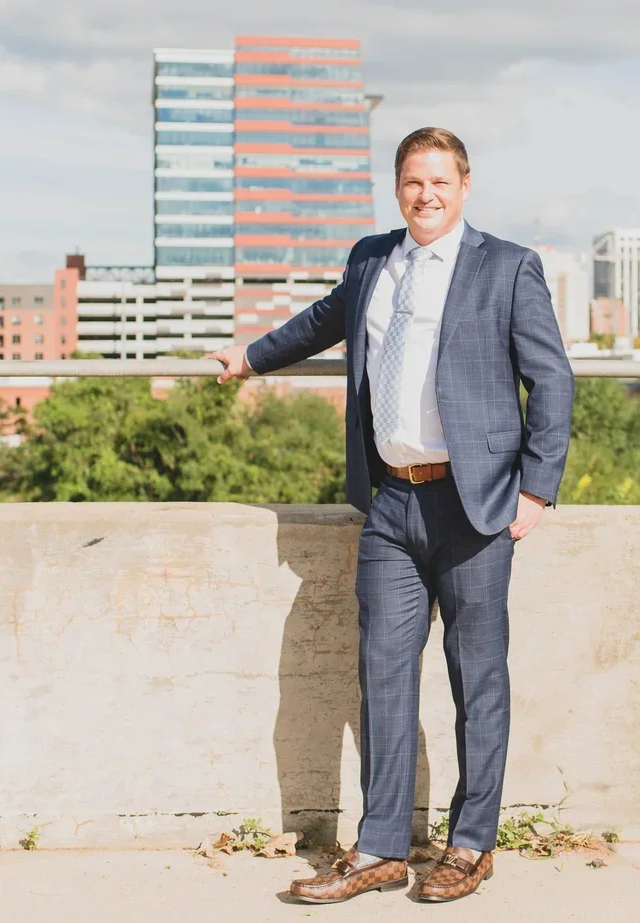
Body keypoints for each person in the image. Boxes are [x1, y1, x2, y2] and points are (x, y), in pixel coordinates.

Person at [208, 126, 573, 904]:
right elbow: (321, 321)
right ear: (397, 186)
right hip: (392, 502)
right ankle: (380, 849)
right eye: (412, 181)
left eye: (440, 181)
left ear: (464, 186)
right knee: (381, 676)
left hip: (475, 506)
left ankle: (471, 844)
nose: (425, 194)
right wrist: (251, 356)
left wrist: (537, 489)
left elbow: (553, 380)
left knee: (477, 682)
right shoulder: (374, 256)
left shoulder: (507, 267)